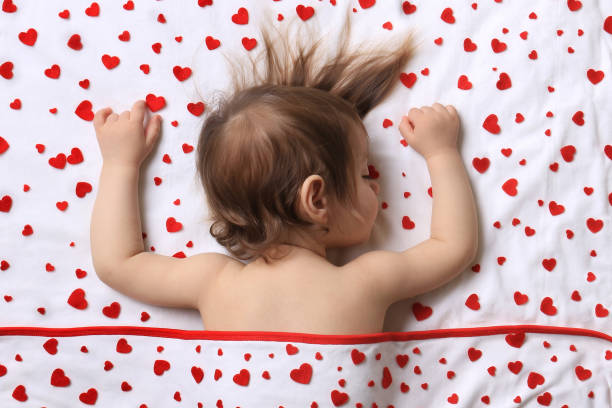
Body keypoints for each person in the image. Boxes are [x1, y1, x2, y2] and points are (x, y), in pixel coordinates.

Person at [90, 8, 478, 334]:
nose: (376, 185)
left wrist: (121, 165)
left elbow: (119, 263)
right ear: (316, 199)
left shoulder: (213, 282)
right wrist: (442, 154)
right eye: (363, 174)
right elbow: (453, 247)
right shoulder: (365, 281)